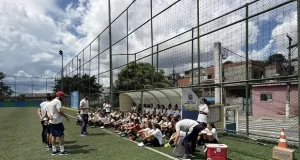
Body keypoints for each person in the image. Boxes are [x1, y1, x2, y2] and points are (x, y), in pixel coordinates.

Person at [47, 91, 70, 155]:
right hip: (58, 121)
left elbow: (48, 111)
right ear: (59, 96)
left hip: (52, 122)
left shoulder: (50, 102)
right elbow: (59, 111)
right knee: (61, 135)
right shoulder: (58, 101)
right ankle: (62, 150)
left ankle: (54, 150)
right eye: (63, 96)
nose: (63, 98)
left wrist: (50, 116)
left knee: (53, 135)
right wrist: (65, 116)